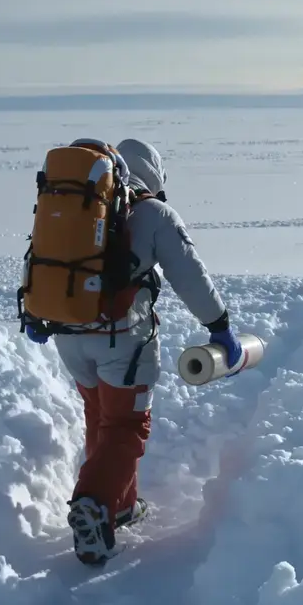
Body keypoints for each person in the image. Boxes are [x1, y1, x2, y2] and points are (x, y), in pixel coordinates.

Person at [24, 138, 243, 565]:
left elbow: (39, 256)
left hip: (67, 331)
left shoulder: (78, 205)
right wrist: (219, 326)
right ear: (155, 175)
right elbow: (190, 275)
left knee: (101, 417)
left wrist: (36, 314)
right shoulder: (154, 213)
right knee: (127, 425)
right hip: (121, 337)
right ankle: (94, 506)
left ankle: (121, 505)